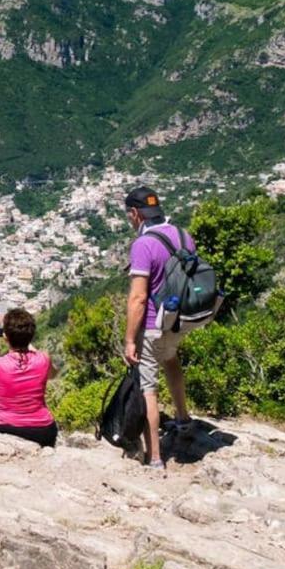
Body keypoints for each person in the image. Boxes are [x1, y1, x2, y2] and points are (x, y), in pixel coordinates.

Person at [123, 186, 193, 471]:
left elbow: (139, 297)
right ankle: (184, 420)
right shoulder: (183, 235)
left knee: (148, 388)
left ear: (136, 214)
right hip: (179, 320)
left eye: (129, 214)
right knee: (172, 361)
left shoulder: (143, 245)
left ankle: (154, 457)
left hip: (152, 324)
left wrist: (129, 339)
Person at [0, 308, 58, 448]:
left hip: (9, 430)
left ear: (5, 337)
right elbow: (53, 375)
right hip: (45, 431)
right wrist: (25, 341)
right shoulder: (44, 359)